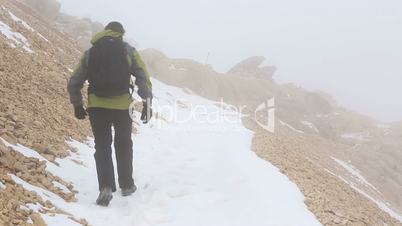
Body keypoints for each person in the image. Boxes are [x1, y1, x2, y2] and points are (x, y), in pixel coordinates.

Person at [67, 22, 153, 206]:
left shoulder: (91, 52)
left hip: (97, 106)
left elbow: (75, 80)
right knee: (123, 144)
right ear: (121, 34)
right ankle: (127, 184)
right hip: (123, 106)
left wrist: (77, 105)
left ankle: (105, 186)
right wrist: (147, 102)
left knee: (102, 145)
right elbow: (142, 77)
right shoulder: (128, 50)